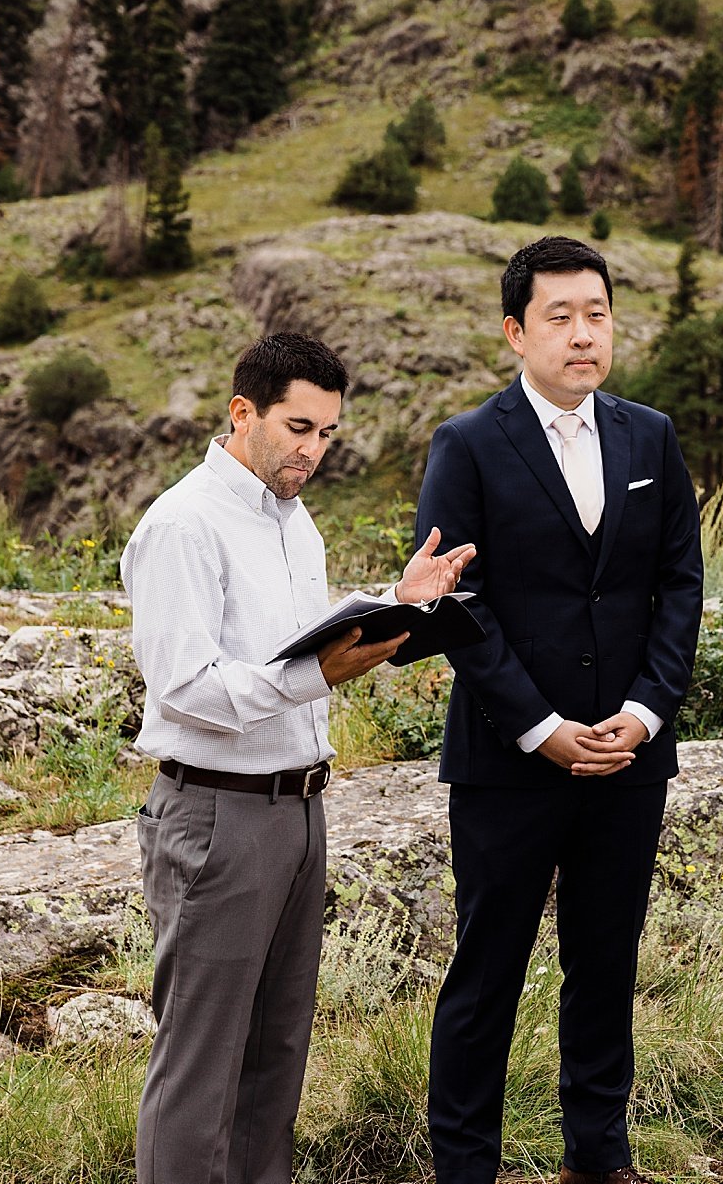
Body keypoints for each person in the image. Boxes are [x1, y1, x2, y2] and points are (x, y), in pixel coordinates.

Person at [122, 332, 475, 1184]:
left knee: (276, 1059)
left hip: (302, 811)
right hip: (216, 815)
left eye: (327, 434)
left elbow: (285, 645)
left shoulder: (295, 520)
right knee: (200, 1066)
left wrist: (395, 604)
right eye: (298, 427)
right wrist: (315, 674)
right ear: (243, 413)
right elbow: (185, 688)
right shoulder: (182, 524)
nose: (313, 451)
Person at [414, 236, 705, 1184]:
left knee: (605, 963)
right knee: (486, 971)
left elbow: (679, 586)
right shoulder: (466, 443)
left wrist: (646, 709)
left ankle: (600, 1155)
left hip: (628, 754)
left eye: (598, 314)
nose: (584, 335)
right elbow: (460, 604)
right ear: (515, 332)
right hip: (509, 759)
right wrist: (540, 728)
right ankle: (464, 1166)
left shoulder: (650, 436)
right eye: (560, 317)